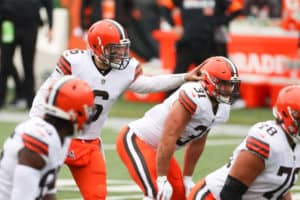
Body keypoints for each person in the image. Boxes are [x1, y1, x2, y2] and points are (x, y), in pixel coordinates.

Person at [29, 19, 203, 199]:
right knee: (34, 188)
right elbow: (45, 93)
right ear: (97, 48)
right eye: (114, 49)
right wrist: (36, 124)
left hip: (90, 144)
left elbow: (149, 83)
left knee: (97, 196)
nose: (120, 53)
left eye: (122, 48)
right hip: (60, 138)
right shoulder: (75, 62)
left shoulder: (126, 69)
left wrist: (184, 77)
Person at [116, 56, 241, 200]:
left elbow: (198, 142)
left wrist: (187, 177)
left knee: (180, 196)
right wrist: (162, 178)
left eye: (230, 84)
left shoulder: (222, 108)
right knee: (158, 193)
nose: (228, 89)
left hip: (159, 150)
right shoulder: (193, 95)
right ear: (208, 80)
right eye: (223, 84)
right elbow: (169, 136)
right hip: (137, 140)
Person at [188, 85, 300, 200]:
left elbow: (280, 187)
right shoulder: (267, 141)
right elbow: (230, 193)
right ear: (287, 115)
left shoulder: (295, 144)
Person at [0, 76, 95, 200]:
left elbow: (47, 191)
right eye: (87, 110)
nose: (89, 116)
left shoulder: (60, 137)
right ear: (73, 112)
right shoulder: (38, 138)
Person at [0, 0, 53, 109]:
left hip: (30, 26)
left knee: (28, 66)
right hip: (8, 24)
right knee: (5, 63)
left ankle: (30, 101)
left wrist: (51, 26)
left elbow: (48, 3)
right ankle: (2, 98)